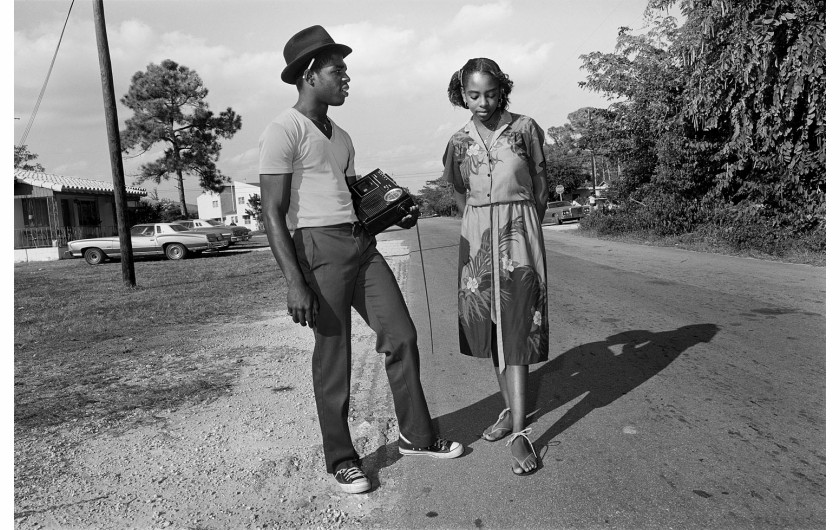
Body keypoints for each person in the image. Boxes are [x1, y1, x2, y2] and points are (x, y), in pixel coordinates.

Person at [259, 25, 463, 495]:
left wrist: (393, 213)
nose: (346, 77)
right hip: (317, 246)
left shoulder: (343, 135)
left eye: (346, 69)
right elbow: (272, 212)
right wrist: (294, 281)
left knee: (402, 334)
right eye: (337, 70)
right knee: (334, 356)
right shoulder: (283, 130)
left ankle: (417, 436)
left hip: (359, 244)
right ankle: (342, 458)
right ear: (310, 75)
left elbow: (351, 200)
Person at [442, 58, 548, 475]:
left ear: (501, 89)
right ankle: (509, 409)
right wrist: (476, 226)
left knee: (518, 324)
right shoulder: (458, 141)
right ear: (461, 94)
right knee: (489, 326)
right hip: (476, 236)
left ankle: (521, 433)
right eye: (473, 95)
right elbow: (457, 189)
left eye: (489, 93)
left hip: (519, 231)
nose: (482, 103)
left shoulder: (525, 129)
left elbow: (539, 184)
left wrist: (523, 228)